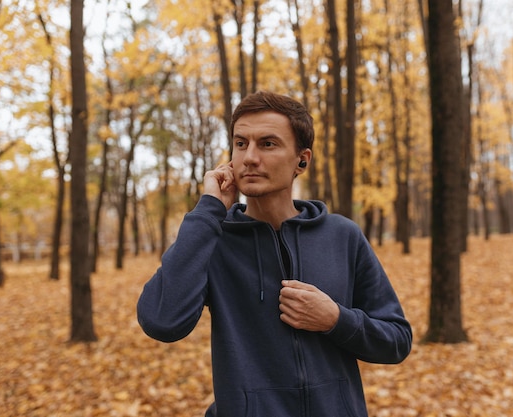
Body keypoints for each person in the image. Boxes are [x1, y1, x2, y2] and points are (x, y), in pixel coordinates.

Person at [137, 91, 412, 417]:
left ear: (302, 160)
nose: (249, 157)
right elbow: (161, 321)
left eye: (267, 144)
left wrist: (336, 319)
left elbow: (397, 340)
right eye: (241, 144)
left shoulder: (342, 235)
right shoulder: (213, 240)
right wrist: (209, 211)